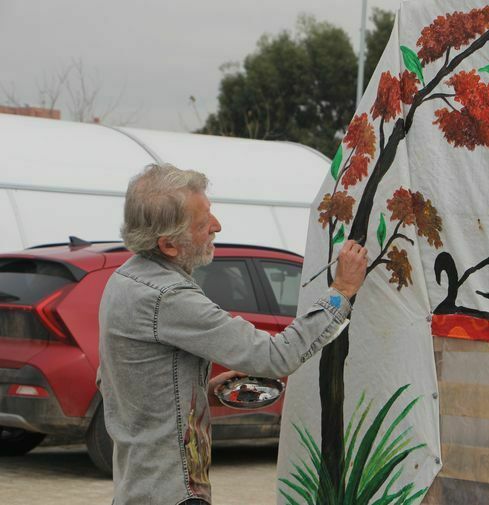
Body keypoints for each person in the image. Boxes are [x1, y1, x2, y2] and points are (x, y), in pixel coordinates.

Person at [97, 163, 367, 505]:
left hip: (139, 488)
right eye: (202, 223)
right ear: (168, 245)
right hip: (172, 493)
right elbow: (274, 356)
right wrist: (341, 290)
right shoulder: (167, 296)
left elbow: (116, 383)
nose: (217, 226)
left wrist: (201, 393)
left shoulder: (122, 280)